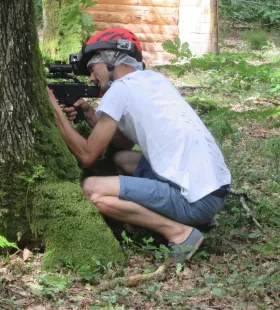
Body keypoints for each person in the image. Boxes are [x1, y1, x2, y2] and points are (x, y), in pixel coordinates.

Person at [46, 28, 231, 262]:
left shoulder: (120, 89)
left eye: (92, 68)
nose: (91, 79)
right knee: (121, 159)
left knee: (92, 189)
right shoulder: (154, 80)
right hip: (213, 192)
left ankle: (180, 232)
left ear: (110, 58)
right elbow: (124, 142)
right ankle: (182, 219)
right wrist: (91, 115)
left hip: (193, 201)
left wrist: (54, 111)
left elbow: (87, 156)